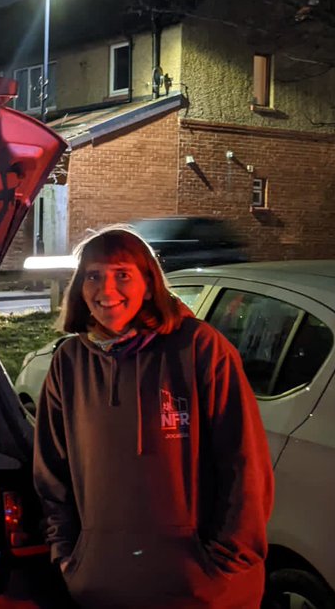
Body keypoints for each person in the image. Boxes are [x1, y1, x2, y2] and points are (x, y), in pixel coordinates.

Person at [32, 226, 274, 609]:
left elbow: (246, 464)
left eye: (122, 275)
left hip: (204, 592)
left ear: (149, 283)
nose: (106, 290)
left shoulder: (199, 348)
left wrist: (226, 563)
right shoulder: (69, 362)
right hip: (102, 588)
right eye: (94, 276)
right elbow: (52, 472)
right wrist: (69, 558)